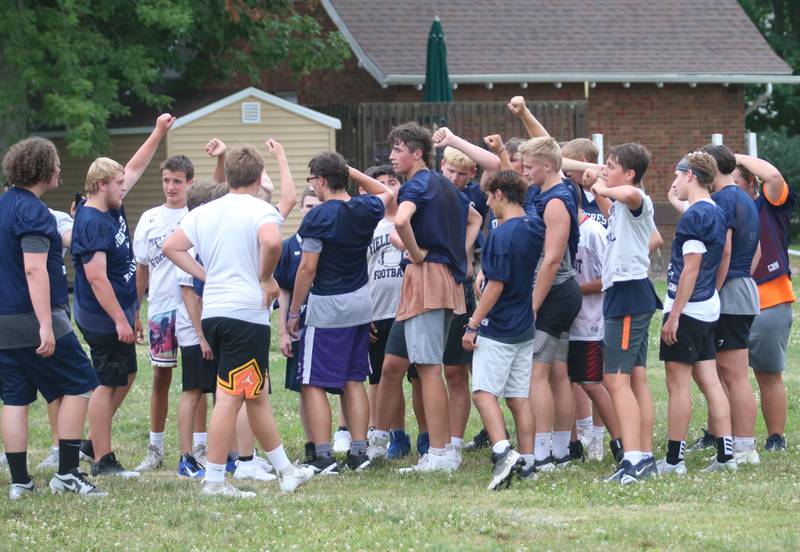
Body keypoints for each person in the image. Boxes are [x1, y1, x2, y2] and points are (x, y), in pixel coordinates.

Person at [163, 143, 314, 497]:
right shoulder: (259, 210)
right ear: (258, 176)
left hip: (216, 313)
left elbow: (171, 246)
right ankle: (214, 481)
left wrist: (206, 274)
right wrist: (265, 277)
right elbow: (272, 242)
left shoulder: (205, 212)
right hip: (244, 316)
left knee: (256, 393)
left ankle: (286, 470)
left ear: (228, 174)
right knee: (230, 398)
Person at [369, 122, 482, 473]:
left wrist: (414, 251)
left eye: (398, 149)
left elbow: (401, 221)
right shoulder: (440, 184)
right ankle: (374, 442)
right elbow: (473, 216)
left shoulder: (419, 184)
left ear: (417, 153)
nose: (391, 156)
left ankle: (440, 453)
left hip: (428, 279)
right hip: (431, 281)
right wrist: (458, 254)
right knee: (391, 366)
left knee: (429, 368)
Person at [0, 137, 105, 498]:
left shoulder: (3, 205)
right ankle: (67, 474)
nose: (60, 168)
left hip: (3, 320)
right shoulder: (34, 212)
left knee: (14, 398)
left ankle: (19, 483)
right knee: (80, 381)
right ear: (43, 168)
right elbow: (34, 269)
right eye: (56, 163)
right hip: (32, 316)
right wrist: (45, 324)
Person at [72, 114, 175, 478]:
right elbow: (96, 278)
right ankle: (103, 460)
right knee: (107, 381)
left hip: (118, 307)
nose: (124, 187)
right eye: (118, 184)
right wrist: (119, 317)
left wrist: (158, 132)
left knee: (126, 374)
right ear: (101, 185)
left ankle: (92, 441)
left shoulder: (109, 203)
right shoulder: (92, 222)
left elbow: (134, 166)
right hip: (101, 315)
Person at [287, 152, 394, 474]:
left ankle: (322, 455)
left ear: (320, 180)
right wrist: (352, 171)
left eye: (312, 179)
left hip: (327, 305)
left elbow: (307, 268)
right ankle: (359, 452)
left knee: (312, 382)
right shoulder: (364, 208)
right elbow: (387, 194)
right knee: (353, 378)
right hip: (361, 302)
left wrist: (293, 312)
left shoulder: (318, 217)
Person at [461, 170, 544, 489]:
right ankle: (528, 461)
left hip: (500, 325)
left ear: (498, 194)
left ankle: (502, 452)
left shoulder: (501, 234)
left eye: (487, 195)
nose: (485, 201)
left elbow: (495, 285)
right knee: (518, 397)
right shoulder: (534, 225)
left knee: (483, 393)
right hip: (524, 324)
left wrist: (472, 323)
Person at [657, 152, 736, 473]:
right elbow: (722, 255)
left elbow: (690, 269)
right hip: (707, 306)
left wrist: (674, 315)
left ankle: (674, 460)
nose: (674, 182)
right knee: (710, 380)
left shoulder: (694, 216)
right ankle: (726, 455)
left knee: (678, 384)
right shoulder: (716, 211)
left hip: (688, 308)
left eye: (678, 175)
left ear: (691, 175)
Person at [590, 143, 662, 484]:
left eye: (612, 164)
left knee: (615, 380)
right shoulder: (617, 206)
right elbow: (609, 198)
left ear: (629, 173)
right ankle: (643, 455)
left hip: (629, 296)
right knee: (633, 378)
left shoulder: (636, 199)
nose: (605, 168)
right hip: (627, 295)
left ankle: (633, 459)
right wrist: (596, 183)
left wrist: (602, 185)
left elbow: (629, 195)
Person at [517, 136, 582, 471]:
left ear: (546, 165)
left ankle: (541, 451)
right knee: (557, 373)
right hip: (555, 291)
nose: (525, 173)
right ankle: (561, 449)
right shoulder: (544, 192)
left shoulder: (556, 199)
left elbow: (553, 259)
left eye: (529, 167)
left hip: (555, 291)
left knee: (535, 374)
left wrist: (532, 304)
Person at [132, 154, 196, 472]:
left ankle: (199, 445)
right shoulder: (150, 218)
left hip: (193, 308)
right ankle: (155, 448)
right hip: (160, 308)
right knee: (161, 377)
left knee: (196, 379)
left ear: (189, 183)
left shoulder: (196, 214)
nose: (171, 187)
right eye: (166, 180)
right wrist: (136, 309)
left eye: (177, 181)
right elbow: (142, 268)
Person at [733, 154, 796, 451]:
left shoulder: (769, 205)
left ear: (750, 184)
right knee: (724, 374)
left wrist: (732, 156)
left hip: (770, 299)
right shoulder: (721, 209)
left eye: (735, 182)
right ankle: (721, 435)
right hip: (731, 300)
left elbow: (774, 177)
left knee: (768, 374)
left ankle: (775, 438)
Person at [174, 180, 227, 478]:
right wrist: (201, 336)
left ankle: (221, 452)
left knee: (220, 391)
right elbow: (189, 294)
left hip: (213, 326)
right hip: (196, 331)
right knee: (193, 390)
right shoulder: (191, 238)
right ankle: (186, 457)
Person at [360, 165, 412, 459]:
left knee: (417, 377)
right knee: (381, 379)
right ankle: (395, 434)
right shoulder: (367, 227)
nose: (387, 188)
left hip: (409, 309)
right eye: (380, 183)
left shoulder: (410, 221)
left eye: (392, 182)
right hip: (377, 311)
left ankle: (428, 437)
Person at [567, 200, 622, 463]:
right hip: (564, 322)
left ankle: (608, 439)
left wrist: (572, 291)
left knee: (593, 383)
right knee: (564, 382)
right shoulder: (559, 230)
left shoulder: (593, 233)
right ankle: (571, 442)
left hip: (591, 322)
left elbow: (607, 278)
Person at [276, 187, 321, 464]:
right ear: (300, 209)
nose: (312, 211)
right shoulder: (287, 246)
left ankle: (345, 436)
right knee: (304, 386)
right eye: (308, 206)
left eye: (318, 206)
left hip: (328, 323)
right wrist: (282, 331)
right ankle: (311, 444)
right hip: (298, 326)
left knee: (338, 383)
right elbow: (283, 291)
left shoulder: (331, 243)